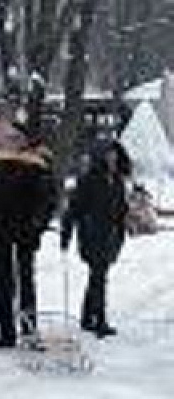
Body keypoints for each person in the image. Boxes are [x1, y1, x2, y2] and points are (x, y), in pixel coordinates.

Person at [0, 140, 57, 348]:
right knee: (1, 283)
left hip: (24, 232)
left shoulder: (35, 166)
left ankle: (29, 330)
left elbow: (48, 199)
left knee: (25, 282)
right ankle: (6, 330)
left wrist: (38, 224)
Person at [61, 141, 131, 338]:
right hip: (92, 235)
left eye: (115, 155)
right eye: (109, 155)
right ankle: (99, 320)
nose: (113, 159)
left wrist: (124, 221)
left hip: (111, 236)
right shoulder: (89, 180)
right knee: (99, 277)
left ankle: (86, 316)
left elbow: (120, 207)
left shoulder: (117, 181)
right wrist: (66, 234)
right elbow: (73, 209)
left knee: (97, 277)